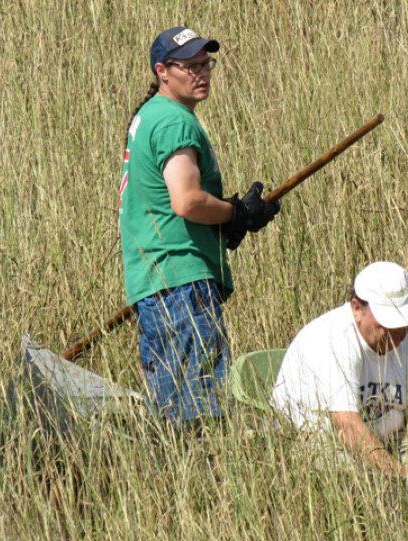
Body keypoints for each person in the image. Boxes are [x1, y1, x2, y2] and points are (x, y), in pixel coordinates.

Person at [119, 27, 280, 430]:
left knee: (173, 415)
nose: (201, 73)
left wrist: (229, 220)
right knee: (200, 417)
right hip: (182, 282)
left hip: (159, 283)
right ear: (163, 71)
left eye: (205, 64)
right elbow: (187, 200)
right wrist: (235, 213)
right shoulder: (174, 122)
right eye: (189, 66)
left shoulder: (151, 117)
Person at [271, 262, 408, 477]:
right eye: (387, 325)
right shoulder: (332, 337)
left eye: (403, 323)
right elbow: (347, 426)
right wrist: (401, 476)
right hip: (322, 440)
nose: (399, 332)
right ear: (357, 309)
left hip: (389, 438)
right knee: (349, 473)